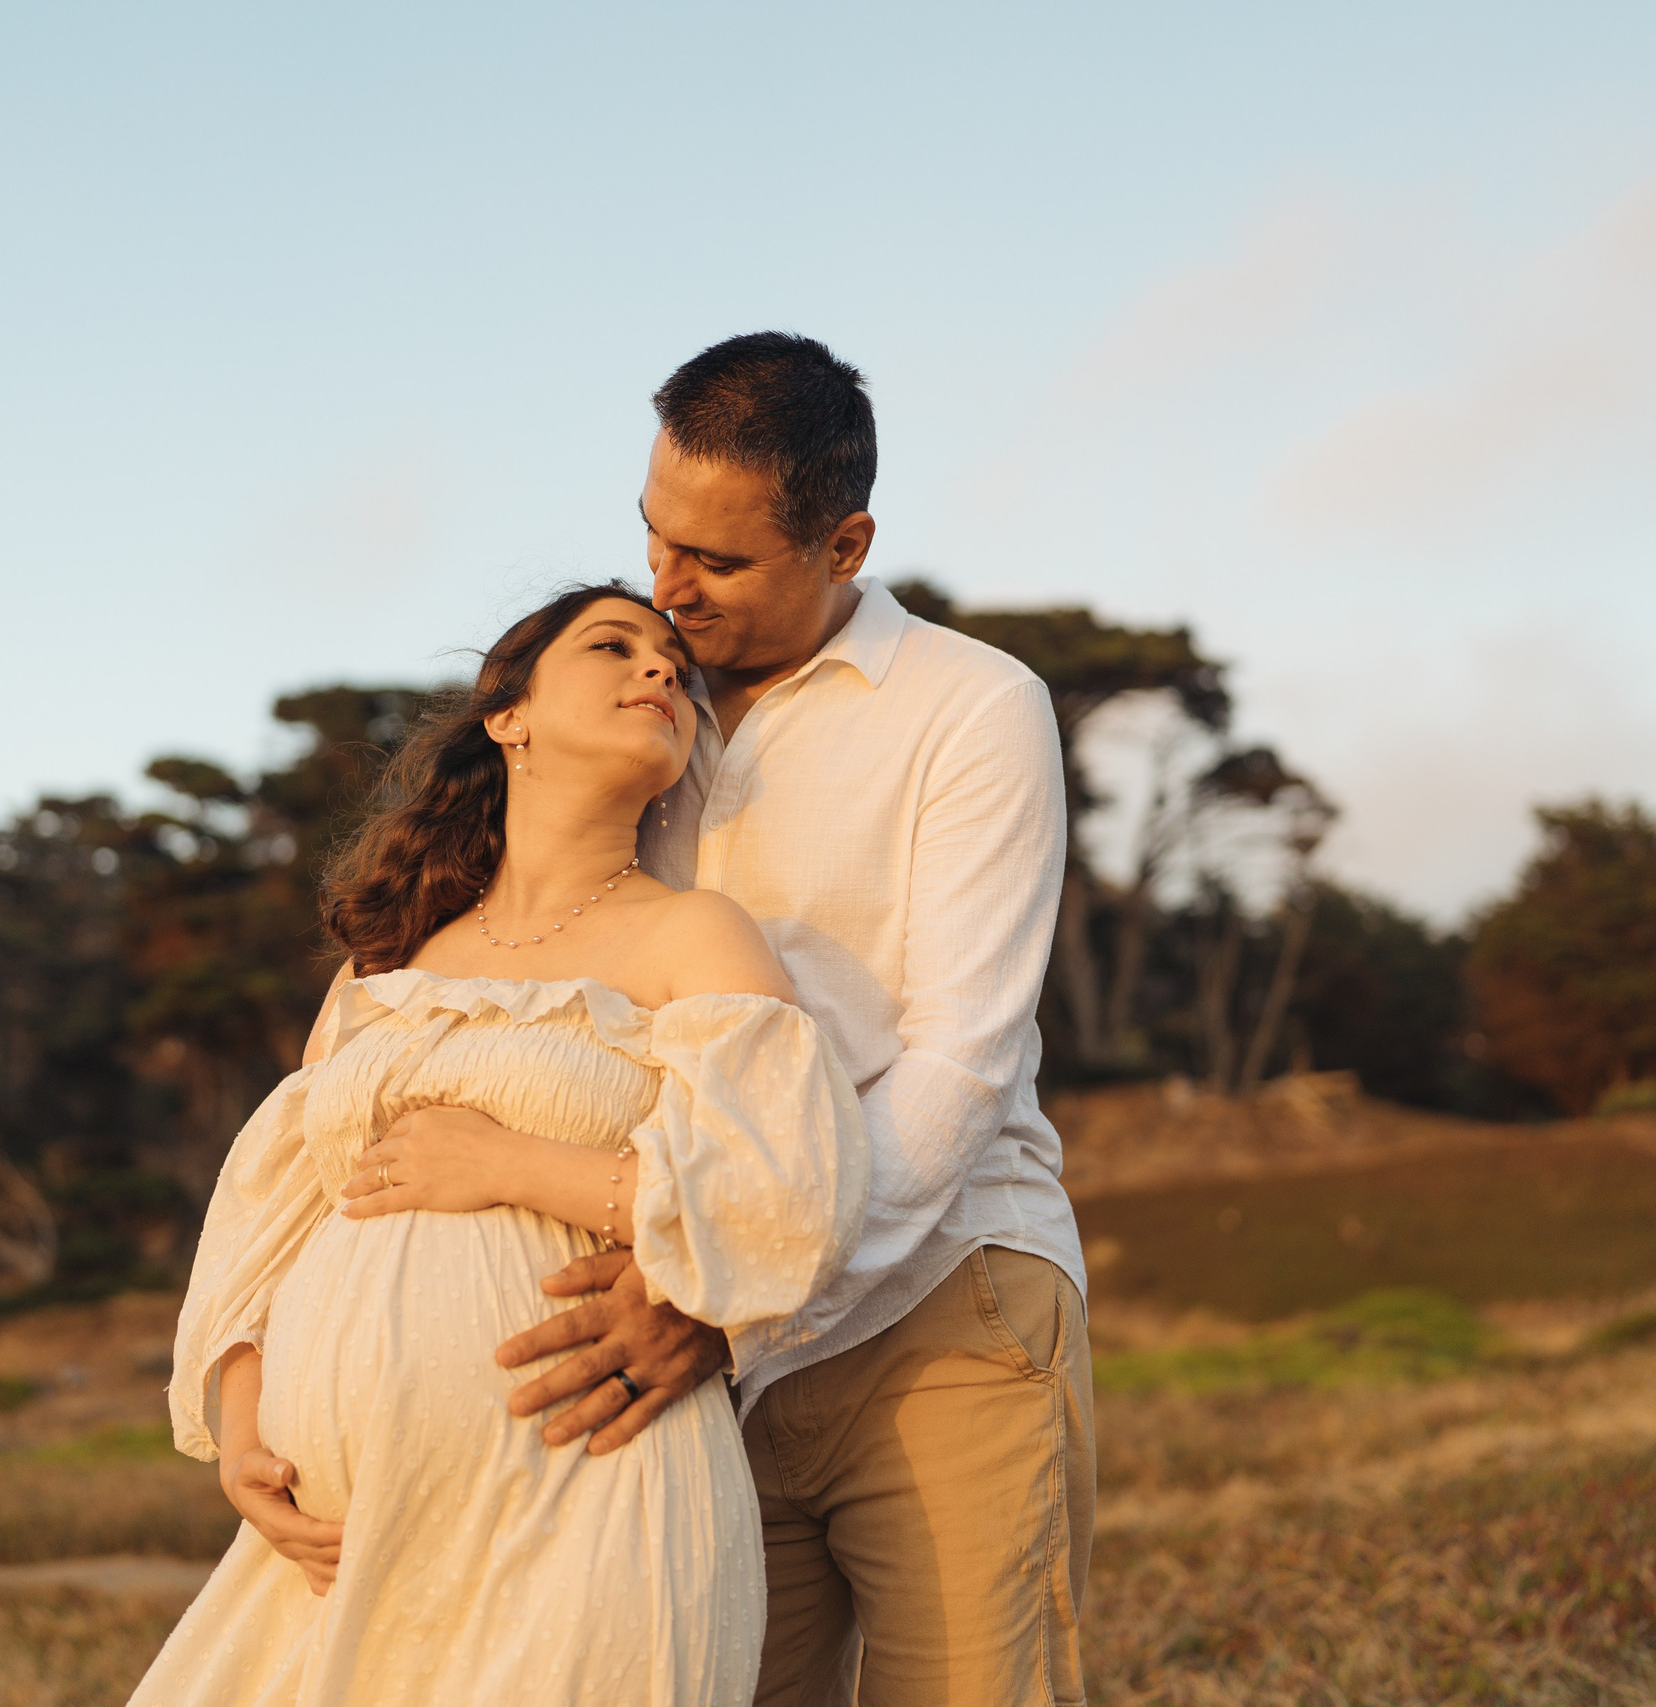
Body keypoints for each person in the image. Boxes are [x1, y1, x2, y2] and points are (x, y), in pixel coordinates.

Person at [485, 332, 1096, 1704]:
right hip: (687, 1352)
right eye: (652, 535)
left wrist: (730, 1293)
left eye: (716, 560)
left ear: (844, 540)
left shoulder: (973, 707)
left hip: (941, 1299)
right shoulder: (640, 710)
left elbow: (961, 1059)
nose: (665, 585)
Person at [131, 584, 869, 1706]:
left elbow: (785, 1197)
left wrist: (507, 1165)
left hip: (591, 1495)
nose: (661, 670)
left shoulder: (693, 936)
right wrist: (242, 1431)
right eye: (613, 648)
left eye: (675, 661)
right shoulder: (381, 973)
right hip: (343, 1534)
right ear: (507, 717)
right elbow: (265, 1231)